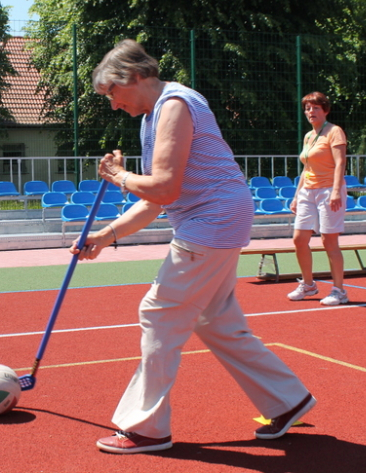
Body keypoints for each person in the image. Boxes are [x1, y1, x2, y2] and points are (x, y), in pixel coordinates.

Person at [76, 39, 315, 454]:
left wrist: (118, 175)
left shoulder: (174, 105)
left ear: (134, 77)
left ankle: (147, 428)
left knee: (159, 312)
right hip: (218, 219)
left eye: (112, 94)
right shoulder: (154, 115)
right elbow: (156, 198)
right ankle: (287, 399)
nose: (112, 105)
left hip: (213, 220)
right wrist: (106, 234)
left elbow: (165, 188)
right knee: (215, 319)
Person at [287, 92, 348, 306]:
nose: (310, 112)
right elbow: (307, 168)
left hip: (328, 190)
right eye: (307, 108)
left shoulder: (334, 131)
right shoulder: (308, 136)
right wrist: (297, 195)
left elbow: (340, 163)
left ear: (325, 110)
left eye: (315, 108)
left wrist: (335, 190)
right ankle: (309, 285)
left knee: (328, 241)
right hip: (307, 192)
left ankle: (339, 290)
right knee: (299, 239)